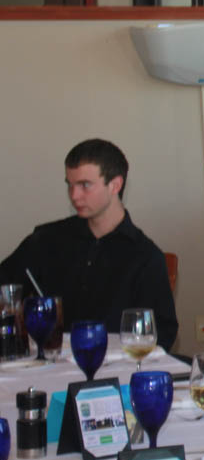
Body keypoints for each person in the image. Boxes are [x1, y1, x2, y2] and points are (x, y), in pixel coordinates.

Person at [0, 139, 178, 350]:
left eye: (85, 185)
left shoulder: (145, 256)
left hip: (114, 372)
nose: (74, 196)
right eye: (70, 185)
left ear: (115, 185)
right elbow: (5, 285)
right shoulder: (46, 240)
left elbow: (161, 335)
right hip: (45, 367)